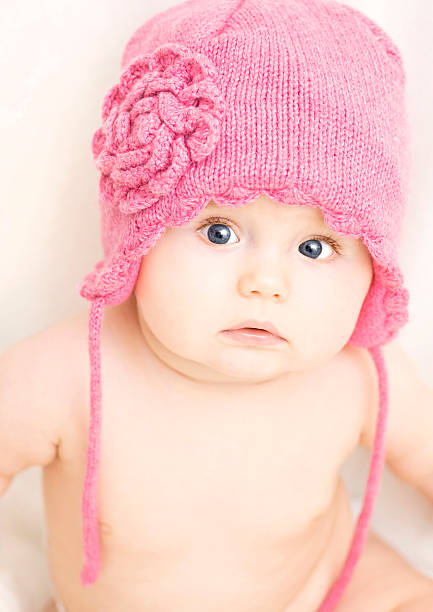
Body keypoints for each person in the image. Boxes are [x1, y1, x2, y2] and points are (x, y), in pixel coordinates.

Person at [2, 0, 433, 610]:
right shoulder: (67, 374)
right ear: (140, 235)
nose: (265, 282)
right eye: (219, 232)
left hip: (326, 588)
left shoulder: (359, 375)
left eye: (316, 246)